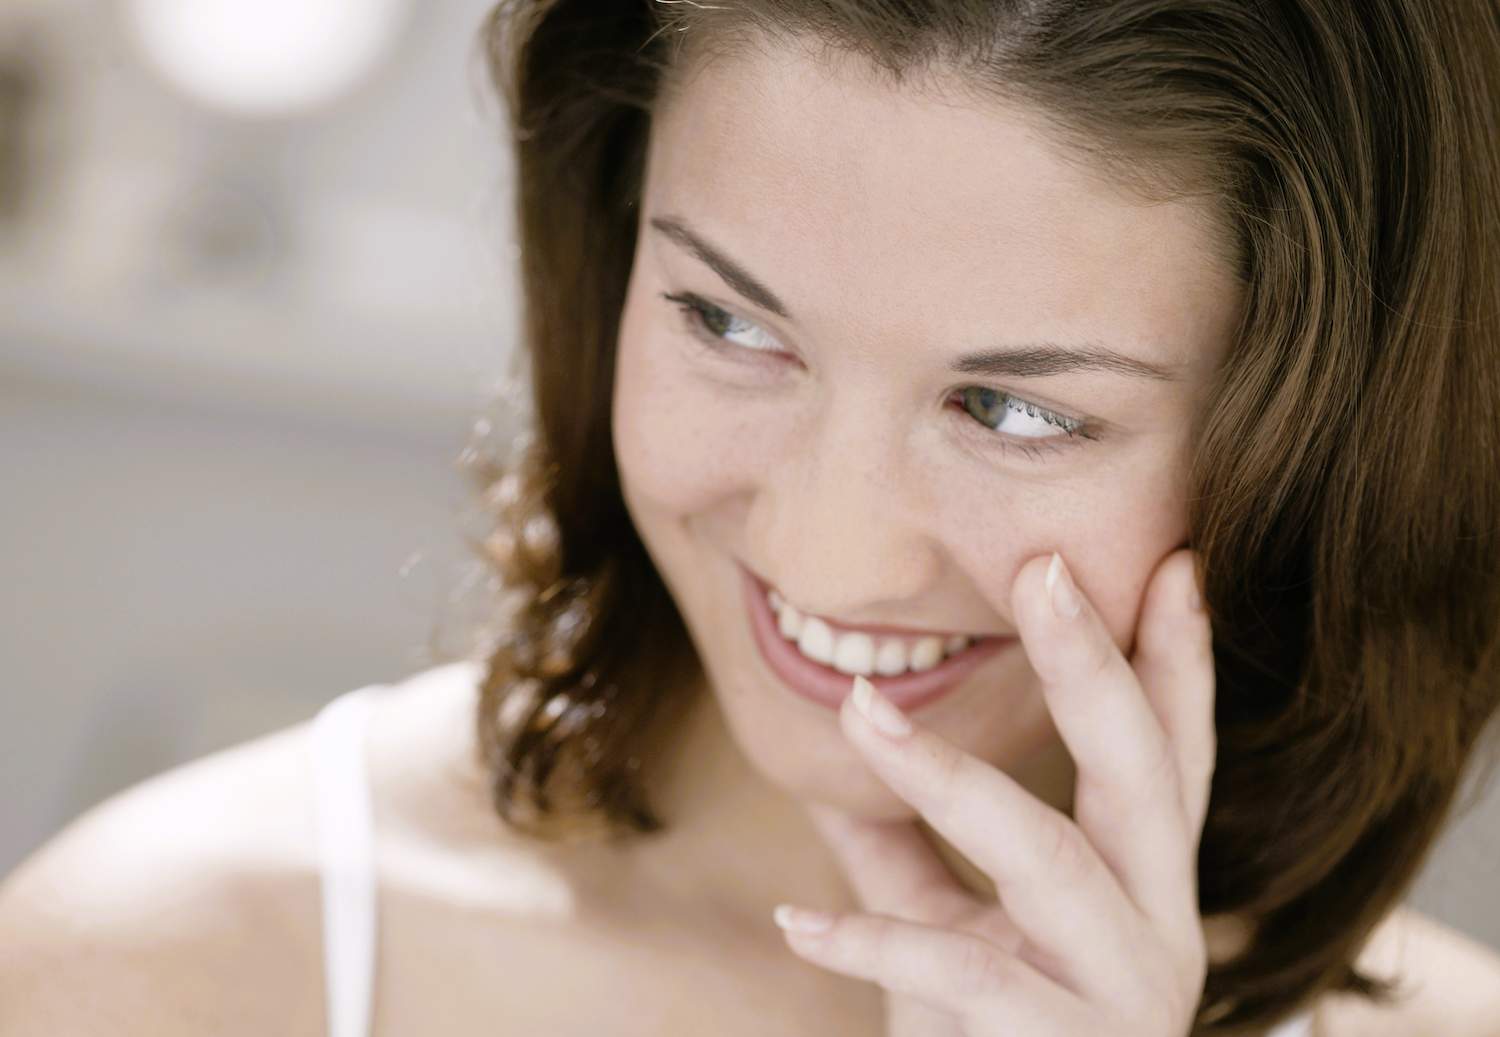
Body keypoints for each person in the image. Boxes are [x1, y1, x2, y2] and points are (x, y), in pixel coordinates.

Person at [3, 1, 1499, 1034]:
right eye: (728, 322)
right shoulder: (165, 966)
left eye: (1017, 411)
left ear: (1321, 439)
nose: (830, 552)